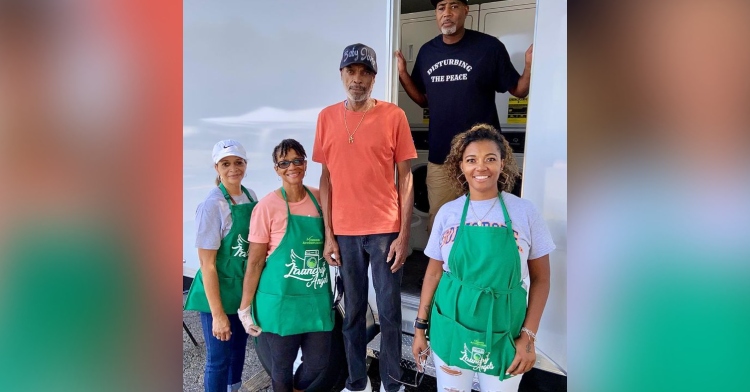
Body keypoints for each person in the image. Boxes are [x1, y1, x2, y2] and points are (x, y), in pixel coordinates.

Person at [411, 124, 555, 391]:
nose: (481, 167)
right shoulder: (448, 213)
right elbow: (433, 273)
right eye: (471, 160)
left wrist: (529, 336)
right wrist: (420, 327)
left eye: (490, 158)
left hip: (505, 332)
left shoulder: (524, 212)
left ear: (503, 163)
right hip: (450, 325)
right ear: (461, 167)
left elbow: (541, 279)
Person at [313, 43, 417, 392]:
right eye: (351, 72)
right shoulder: (327, 117)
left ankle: (393, 382)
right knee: (353, 311)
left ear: (374, 78)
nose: (357, 80)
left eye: (365, 73)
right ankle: (357, 381)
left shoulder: (393, 116)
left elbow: (406, 175)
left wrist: (404, 235)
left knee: (389, 312)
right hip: (345, 231)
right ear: (341, 75)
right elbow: (325, 179)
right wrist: (329, 234)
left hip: (385, 230)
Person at [395, 0, 533, 232]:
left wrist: (529, 65)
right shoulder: (427, 52)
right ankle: (441, 270)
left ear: (465, 10)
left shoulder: (489, 47)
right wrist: (402, 74)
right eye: (441, 8)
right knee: (441, 224)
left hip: (483, 159)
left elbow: (519, 91)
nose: (447, 13)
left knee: (488, 224)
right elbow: (422, 99)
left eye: (454, 6)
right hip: (441, 158)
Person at [237, 139, 334, 392]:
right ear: (277, 169)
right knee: (281, 368)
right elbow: (256, 260)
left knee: (318, 363)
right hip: (279, 303)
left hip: (314, 300)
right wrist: (244, 308)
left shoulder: (319, 199)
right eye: (284, 163)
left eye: (297, 160)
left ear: (305, 163)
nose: (292, 167)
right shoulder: (267, 207)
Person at [184, 139, 259, 392]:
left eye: (238, 162)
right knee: (218, 359)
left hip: (241, 292)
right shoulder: (211, 206)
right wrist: (218, 316)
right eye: (225, 163)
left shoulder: (250, 196)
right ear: (217, 167)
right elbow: (207, 265)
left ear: (245, 165)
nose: (233, 169)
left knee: (238, 351)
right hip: (216, 292)